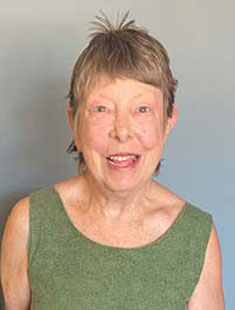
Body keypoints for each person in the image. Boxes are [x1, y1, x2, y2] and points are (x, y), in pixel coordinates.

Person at [1, 12, 224, 309]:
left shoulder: (197, 237)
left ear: (168, 123)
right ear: (74, 122)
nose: (121, 131)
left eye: (142, 109)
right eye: (102, 109)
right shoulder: (29, 223)